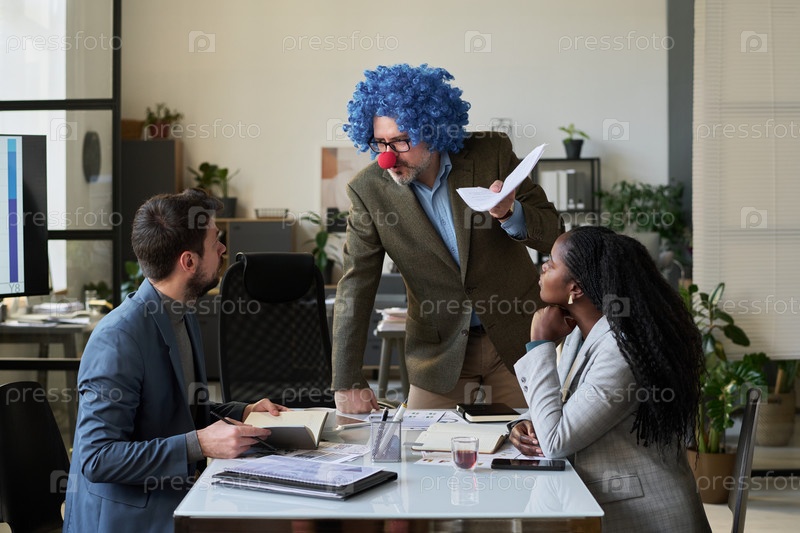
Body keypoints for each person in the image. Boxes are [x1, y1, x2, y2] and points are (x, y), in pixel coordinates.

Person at [332, 64, 562, 412]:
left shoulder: (490, 153)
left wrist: (509, 213)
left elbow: (553, 233)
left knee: (532, 440)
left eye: (401, 141)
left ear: (433, 129)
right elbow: (355, 284)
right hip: (440, 354)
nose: (387, 158)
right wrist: (347, 380)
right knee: (421, 445)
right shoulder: (368, 191)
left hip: (517, 340)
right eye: (380, 143)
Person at [64, 189, 288, 533]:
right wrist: (200, 444)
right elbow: (98, 458)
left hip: (178, 498)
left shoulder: (181, 312)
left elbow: (170, 411)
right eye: (215, 242)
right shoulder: (119, 338)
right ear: (189, 262)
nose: (223, 249)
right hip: (128, 521)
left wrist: (242, 412)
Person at [509, 226, 710, 532]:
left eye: (552, 262)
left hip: (645, 516)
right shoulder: (580, 335)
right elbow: (563, 407)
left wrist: (539, 343)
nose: (543, 267)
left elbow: (556, 442)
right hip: (602, 500)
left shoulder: (621, 350)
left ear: (575, 287)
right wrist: (525, 424)